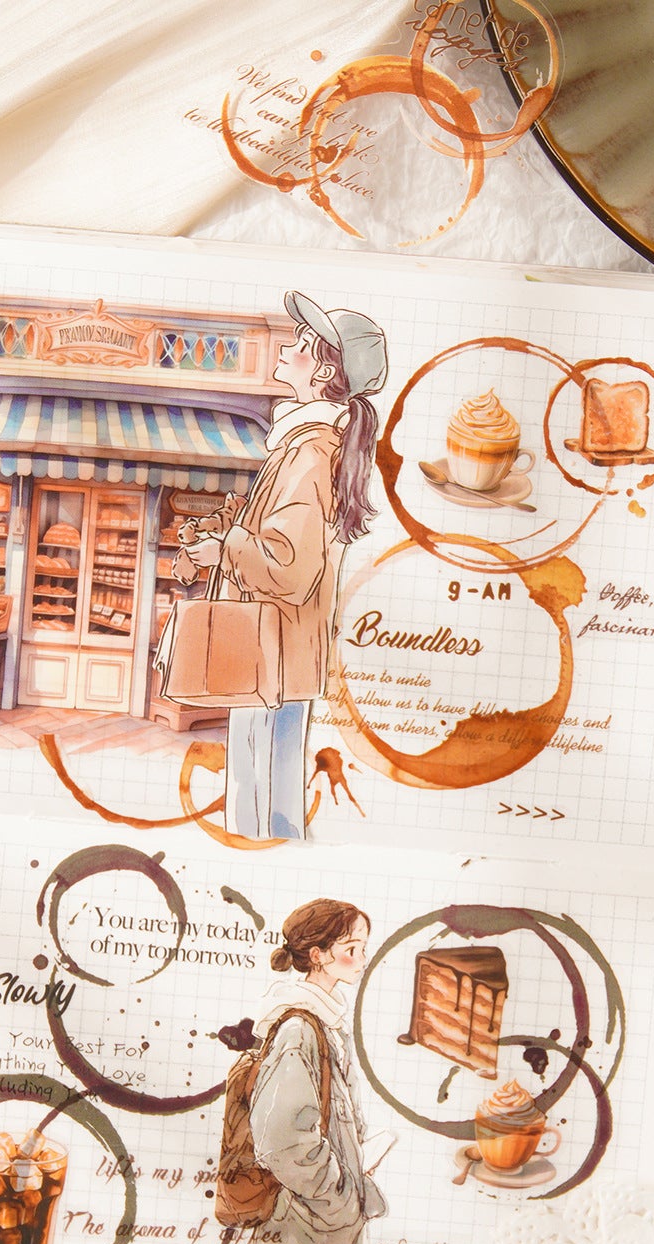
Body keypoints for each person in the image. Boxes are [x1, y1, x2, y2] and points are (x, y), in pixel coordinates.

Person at [181, 292, 387, 839]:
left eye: (301, 342)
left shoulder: (309, 451)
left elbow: (289, 567)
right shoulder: (305, 445)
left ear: (323, 371)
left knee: (261, 802)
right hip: (276, 656)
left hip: (271, 656)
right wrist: (233, 531)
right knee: (267, 791)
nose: (286, 347)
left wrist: (226, 547)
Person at [244, 898, 388, 1244]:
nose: (362, 959)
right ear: (318, 955)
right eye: (351, 949)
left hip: (322, 1233)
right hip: (304, 1233)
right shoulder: (299, 1028)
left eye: (364, 949)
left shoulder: (325, 1022)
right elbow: (283, 1138)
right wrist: (337, 1196)